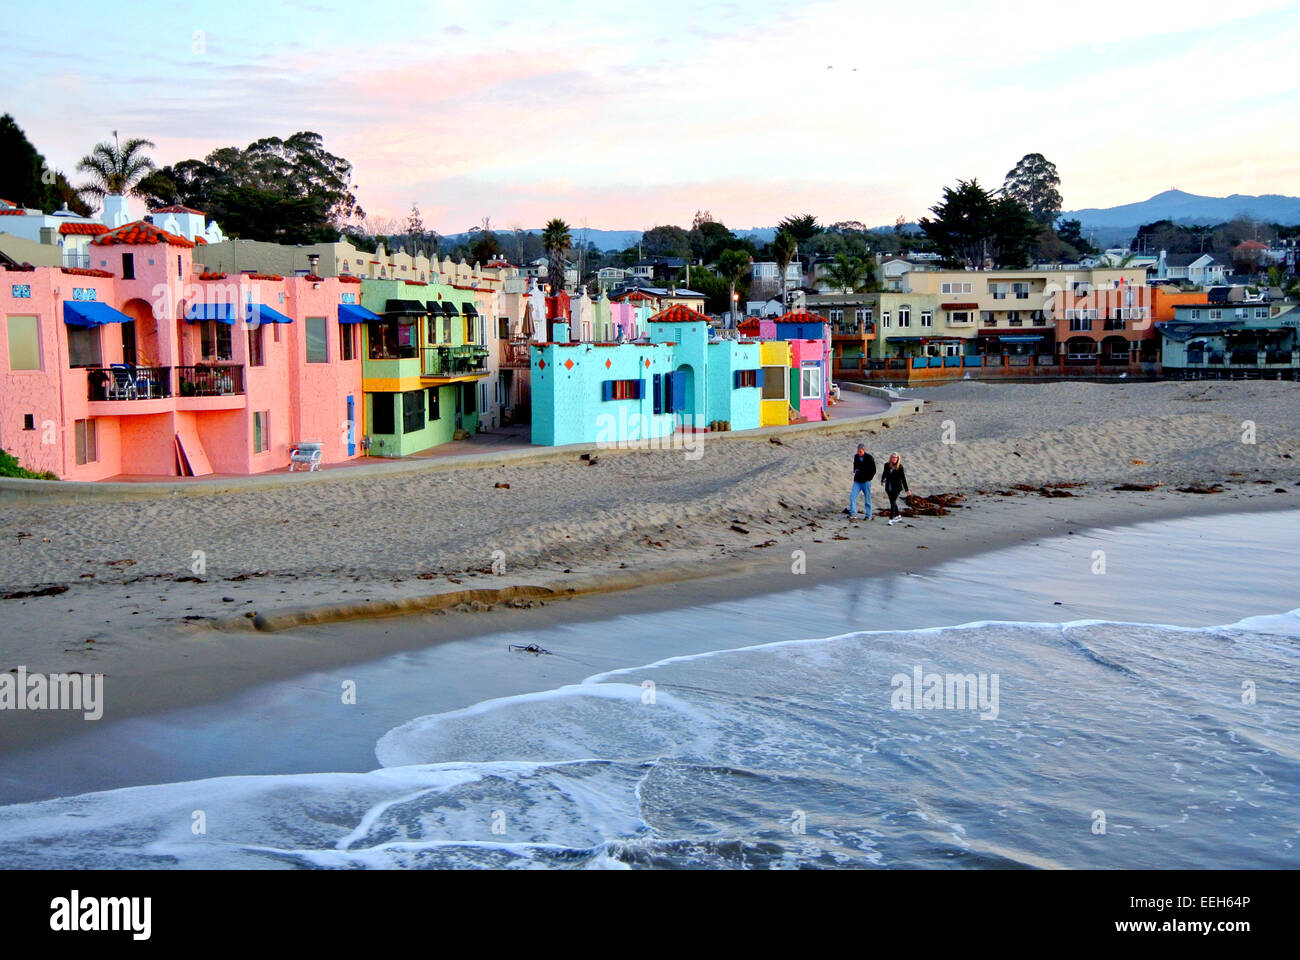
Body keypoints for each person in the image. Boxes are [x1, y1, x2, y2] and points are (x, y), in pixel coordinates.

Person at [849, 444, 875, 520]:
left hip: (866, 482)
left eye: (860, 451)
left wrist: (869, 478)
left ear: (864, 450)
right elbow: (855, 466)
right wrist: (855, 470)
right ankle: (853, 513)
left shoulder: (869, 457)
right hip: (857, 481)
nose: (859, 452)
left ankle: (869, 515)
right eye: (858, 451)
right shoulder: (856, 456)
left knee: (867, 498)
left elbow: (873, 470)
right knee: (852, 497)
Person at [881, 452, 909, 525]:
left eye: (896, 457)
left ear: (898, 458)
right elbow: (884, 473)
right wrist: (882, 480)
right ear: (891, 458)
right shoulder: (886, 465)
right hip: (889, 486)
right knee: (892, 502)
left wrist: (907, 489)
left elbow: (903, 479)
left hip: (897, 487)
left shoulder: (900, 467)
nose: (894, 459)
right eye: (893, 457)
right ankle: (898, 516)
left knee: (893, 501)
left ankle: (891, 519)